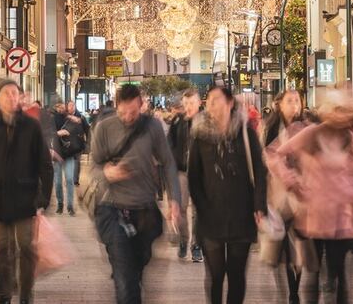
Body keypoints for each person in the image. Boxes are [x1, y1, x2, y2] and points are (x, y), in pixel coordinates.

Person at [266, 90, 353, 304]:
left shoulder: (352, 138)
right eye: (337, 110)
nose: (341, 116)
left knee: (339, 274)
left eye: (344, 111)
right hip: (315, 215)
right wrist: (292, 182)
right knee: (315, 272)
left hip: (343, 217)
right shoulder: (312, 133)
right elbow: (274, 154)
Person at [0, 80, 54, 304]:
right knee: (1, 249)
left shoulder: (31, 127)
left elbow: (44, 163)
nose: (11, 98)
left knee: (26, 248)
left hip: (25, 198)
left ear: (20, 98)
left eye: (15, 94)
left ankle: (25, 295)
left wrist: (45, 196)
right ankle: (2, 294)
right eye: (7, 94)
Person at [91, 83, 182, 304]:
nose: (128, 117)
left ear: (141, 106)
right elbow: (93, 167)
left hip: (144, 210)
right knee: (125, 279)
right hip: (113, 209)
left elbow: (168, 163)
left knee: (138, 265)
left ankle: (131, 278)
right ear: (116, 106)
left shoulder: (152, 127)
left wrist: (174, 201)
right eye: (123, 112)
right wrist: (108, 173)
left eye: (133, 112)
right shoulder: (104, 128)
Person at [189, 86, 267, 304]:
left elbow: (260, 172)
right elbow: (194, 177)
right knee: (215, 275)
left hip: (240, 215)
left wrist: (259, 206)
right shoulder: (200, 135)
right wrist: (202, 208)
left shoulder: (245, 132)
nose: (211, 105)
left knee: (236, 275)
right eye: (209, 100)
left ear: (230, 103)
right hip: (210, 216)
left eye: (216, 100)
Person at [262, 89, 308, 304]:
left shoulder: (305, 127)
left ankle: (294, 292)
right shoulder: (270, 128)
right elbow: (262, 160)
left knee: (297, 246)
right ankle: (288, 288)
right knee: (280, 246)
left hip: (300, 194)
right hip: (276, 193)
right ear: (279, 104)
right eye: (289, 101)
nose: (294, 105)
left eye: (296, 101)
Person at [168, 88, 203, 262]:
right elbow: (169, 145)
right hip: (181, 171)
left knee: (199, 210)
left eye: (192, 103)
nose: (189, 106)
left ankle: (196, 245)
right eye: (186, 103)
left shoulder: (206, 121)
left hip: (201, 173)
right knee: (180, 208)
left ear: (199, 103)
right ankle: (183, 240)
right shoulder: (177, 121)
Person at [54, 101, 86, 215]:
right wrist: (58, 133)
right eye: (59, 106)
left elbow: (79, 130)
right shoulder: (52, 118)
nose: (61, 108)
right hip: (57, 154)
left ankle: (70, 206)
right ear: (55, 107)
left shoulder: (71, 118)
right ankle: (60, 204)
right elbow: (47, 133)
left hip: (69, 153)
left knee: (69, 179)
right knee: (57, 182)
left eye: (63, 106)